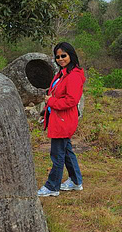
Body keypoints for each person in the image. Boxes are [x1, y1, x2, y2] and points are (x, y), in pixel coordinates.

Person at [37, 42, 86, 197]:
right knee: (66, 151)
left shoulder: (73, 76)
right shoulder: (62, 73)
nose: (60, 59)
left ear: (71, 55)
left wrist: (50, 101)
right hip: (59, 119)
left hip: (63, 120)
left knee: (57, 154)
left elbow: (72, 100)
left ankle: (52, 186)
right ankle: (76, 181)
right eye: (57, 56)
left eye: (63, 55)